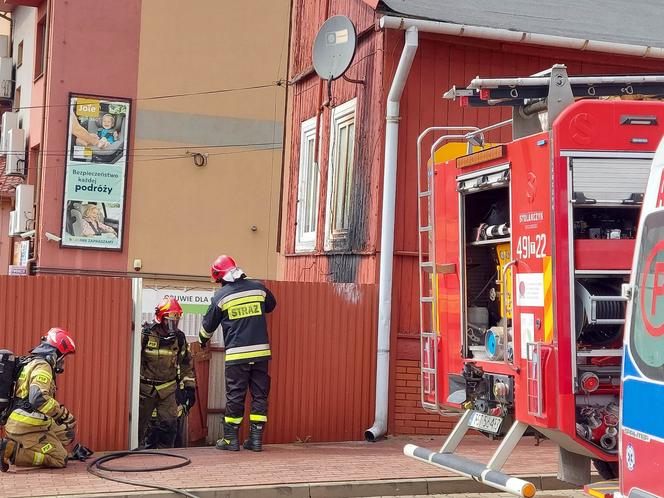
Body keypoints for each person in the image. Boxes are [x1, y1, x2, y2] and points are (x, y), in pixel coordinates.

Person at [199, 255, 276, 452]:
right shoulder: (258, 288)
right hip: (260, 354)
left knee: (235, 396)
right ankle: (256, 440)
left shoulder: (221, 297)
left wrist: (201, 341)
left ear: (220, 277)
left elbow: (207, 327)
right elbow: (271, 305)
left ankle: (230, 440)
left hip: (237, 357)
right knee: (260, 395)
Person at [0, 328, 77, 471]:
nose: (63, 362)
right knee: (60, 458)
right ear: (56, 354)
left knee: (67, 431)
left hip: (19, 422)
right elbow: (38, 398)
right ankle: (10, 450)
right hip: (27, 425)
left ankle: (37, 445)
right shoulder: (43, 366)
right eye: (63, 357)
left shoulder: (29, 362)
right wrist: (62, 413)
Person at [139, 297, 196, 449]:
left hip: (168, 389)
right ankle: (137, 454)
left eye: (176, 320)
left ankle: (165, 456)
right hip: (145, 390)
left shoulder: (179, 338)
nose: (173, 324)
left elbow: (186, 364)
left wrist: (190, 388)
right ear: (160, 318)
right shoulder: (145, 335)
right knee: (139, 426)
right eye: (170, 320)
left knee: (169, 424)